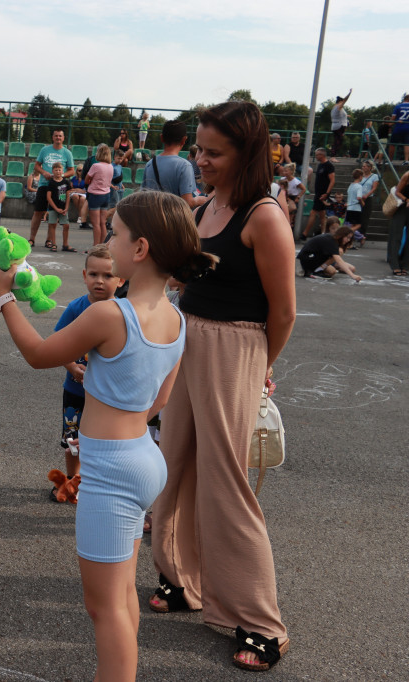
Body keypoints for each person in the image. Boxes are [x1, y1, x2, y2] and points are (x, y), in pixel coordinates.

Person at [0, 190, 216, 682]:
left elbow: (39, 354)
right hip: (144, 459)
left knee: (103, 608)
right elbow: (158, 401)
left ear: (141, 249)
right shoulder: (176, 317)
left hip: (109, 469)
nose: (108, 238)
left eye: (116, 234)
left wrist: (3, 293)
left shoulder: (111, 314)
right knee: (122, 596)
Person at [149, 101, 295, 673]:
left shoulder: (264, 215)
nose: (200, 159)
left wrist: (258, 366)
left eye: (213, 152)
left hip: (235, 347)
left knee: (226, 482)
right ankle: (184, 581)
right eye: (199, 149)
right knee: (173, 464)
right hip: (188, 343)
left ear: (245, 154)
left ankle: (263, 623)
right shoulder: (207, 205)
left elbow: (283, 311)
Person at [48, 244, 121, 504]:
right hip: (76, 389)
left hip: (107, 395)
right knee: (71, 439)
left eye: (108, 275)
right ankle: (71, 480)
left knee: (104, 440)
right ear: (84, 275)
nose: (99, 281)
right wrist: (70, 365)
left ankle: (99, 484)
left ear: (120, 278)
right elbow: (57, 341)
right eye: (93, 275)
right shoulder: (76, 308)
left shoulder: (123, 312)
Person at [140, 120, 206, 209]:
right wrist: (198, 200)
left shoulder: (149, 164)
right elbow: (187, 202)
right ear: (184, 140)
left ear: (162, 138)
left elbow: (142, 197)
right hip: (173, 221)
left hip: (152, 218)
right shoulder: (185, 166)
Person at [30, 129, 74, 246]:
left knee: (52, 213)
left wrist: (60, 175)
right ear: (52, 137)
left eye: (60, 136)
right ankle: (32, 238)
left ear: (63, 138)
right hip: (44, 185)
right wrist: (44, 173)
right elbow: (36, 166)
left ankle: (49, 240)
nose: (58, 138)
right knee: (38, 212)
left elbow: (72, 170)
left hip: (59, 188)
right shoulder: (45, 150)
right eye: (56, 136)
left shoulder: (67, 153)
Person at [301, 148, 334, 240]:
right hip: (318, 193)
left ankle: (305, 233)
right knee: (322, 215)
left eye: (317, 155)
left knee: (313, 212)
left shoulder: (329, 166)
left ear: (322, 155)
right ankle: (323, 233)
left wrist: (327, 194)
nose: (316, 157)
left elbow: (332, 180)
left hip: (323, 194)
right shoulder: (320, 165)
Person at [85, 144, 114, 248]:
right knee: (103, 223)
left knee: (96, 224)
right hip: (106, 194)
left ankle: (95, 246)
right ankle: (102, 245)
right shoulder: (110, 166)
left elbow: (87, 179)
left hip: (95, 194)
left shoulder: (96, 166)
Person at [45, 162, 74, 251]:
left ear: (62, 171)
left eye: (59, 170)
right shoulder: (51, 183)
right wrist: (56, 208)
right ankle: (54, 244)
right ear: (53, 171)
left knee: (66, 225)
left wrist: (66, 208)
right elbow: (49, 197)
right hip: (54, 208)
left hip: (63, 207)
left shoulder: (66, 182)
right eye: (56, 170)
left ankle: (65, 244)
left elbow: (68, 195)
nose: (58, 172)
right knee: (52, 225)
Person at [387, 169, 409, 275]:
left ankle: (405, 265)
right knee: (396, 236)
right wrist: (407, 200)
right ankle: (395, 264)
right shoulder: (407, 175)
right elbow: (397, 192)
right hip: (402, 207)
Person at [359, 160, 380, 233]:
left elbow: (374, 188)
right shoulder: (360, 175)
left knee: (365, 216)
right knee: (357, 216)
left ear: (369, 167)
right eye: (362, 166)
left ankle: (362, 233)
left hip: (368, 198)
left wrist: (367, 195)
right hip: (359, 198)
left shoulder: (374, 176)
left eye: (364, 166)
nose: (363, 167)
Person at [330, 89, 351, 157]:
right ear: (340, 102)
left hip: (336, 126)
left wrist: (346, 116)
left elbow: (337, 116)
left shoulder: (334, 108)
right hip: (339, 126)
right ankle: (333, 156)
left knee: (337, 141)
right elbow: (345, 100)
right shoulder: (339, 106)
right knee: (338, 142)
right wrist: (349, 93)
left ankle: (333, 155)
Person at [69, 161, 90, 230]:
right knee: (75, 196)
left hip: (83, 192)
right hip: (75, 192)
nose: (80, 172)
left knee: (82, 199)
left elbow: (88, 189)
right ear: (77, 171)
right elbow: (70, 188)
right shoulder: (73, 179)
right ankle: (80, 215)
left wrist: (81, 190)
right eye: (79, 170)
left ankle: (80, 215)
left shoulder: (86, 178)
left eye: (82, 170)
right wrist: (76, 190)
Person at [390, 94, 409, 166]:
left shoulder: (398, 106)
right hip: (408, 128)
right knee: (407, 144)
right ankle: (406, 160)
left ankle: (390, 160)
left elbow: (393, 118)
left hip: (398, 128)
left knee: (392, 144)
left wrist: (389, 125)